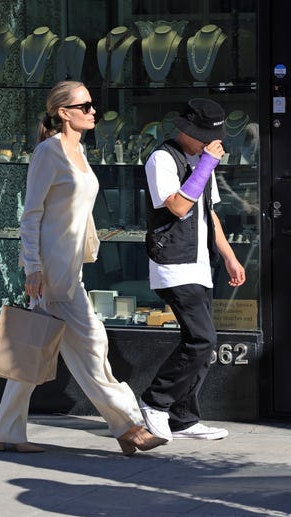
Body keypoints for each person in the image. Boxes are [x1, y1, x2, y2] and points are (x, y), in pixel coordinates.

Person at [0, 80, 167, 456]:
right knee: (92, 344)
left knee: (35, 348)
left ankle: (6, 431)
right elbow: (31, 214)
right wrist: (33, 267)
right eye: (84, 106)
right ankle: (129, 426)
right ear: (63, 113)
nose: (92, 112)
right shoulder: (48, 152)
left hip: (70, 267)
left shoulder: (80, 151)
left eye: (92, 105)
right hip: (51, 270)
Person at [139, 98, 246, 441]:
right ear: (186, 130)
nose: (209, 143)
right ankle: (155, 402)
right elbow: (178, 206)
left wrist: (229, 256)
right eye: (203, 136)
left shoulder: (203, 161)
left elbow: (208, 214)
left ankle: (183, 417)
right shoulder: (161, 159)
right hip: (172, 264)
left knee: (200, 342)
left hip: (200, 264)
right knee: (202, 339)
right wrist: (207, 165)